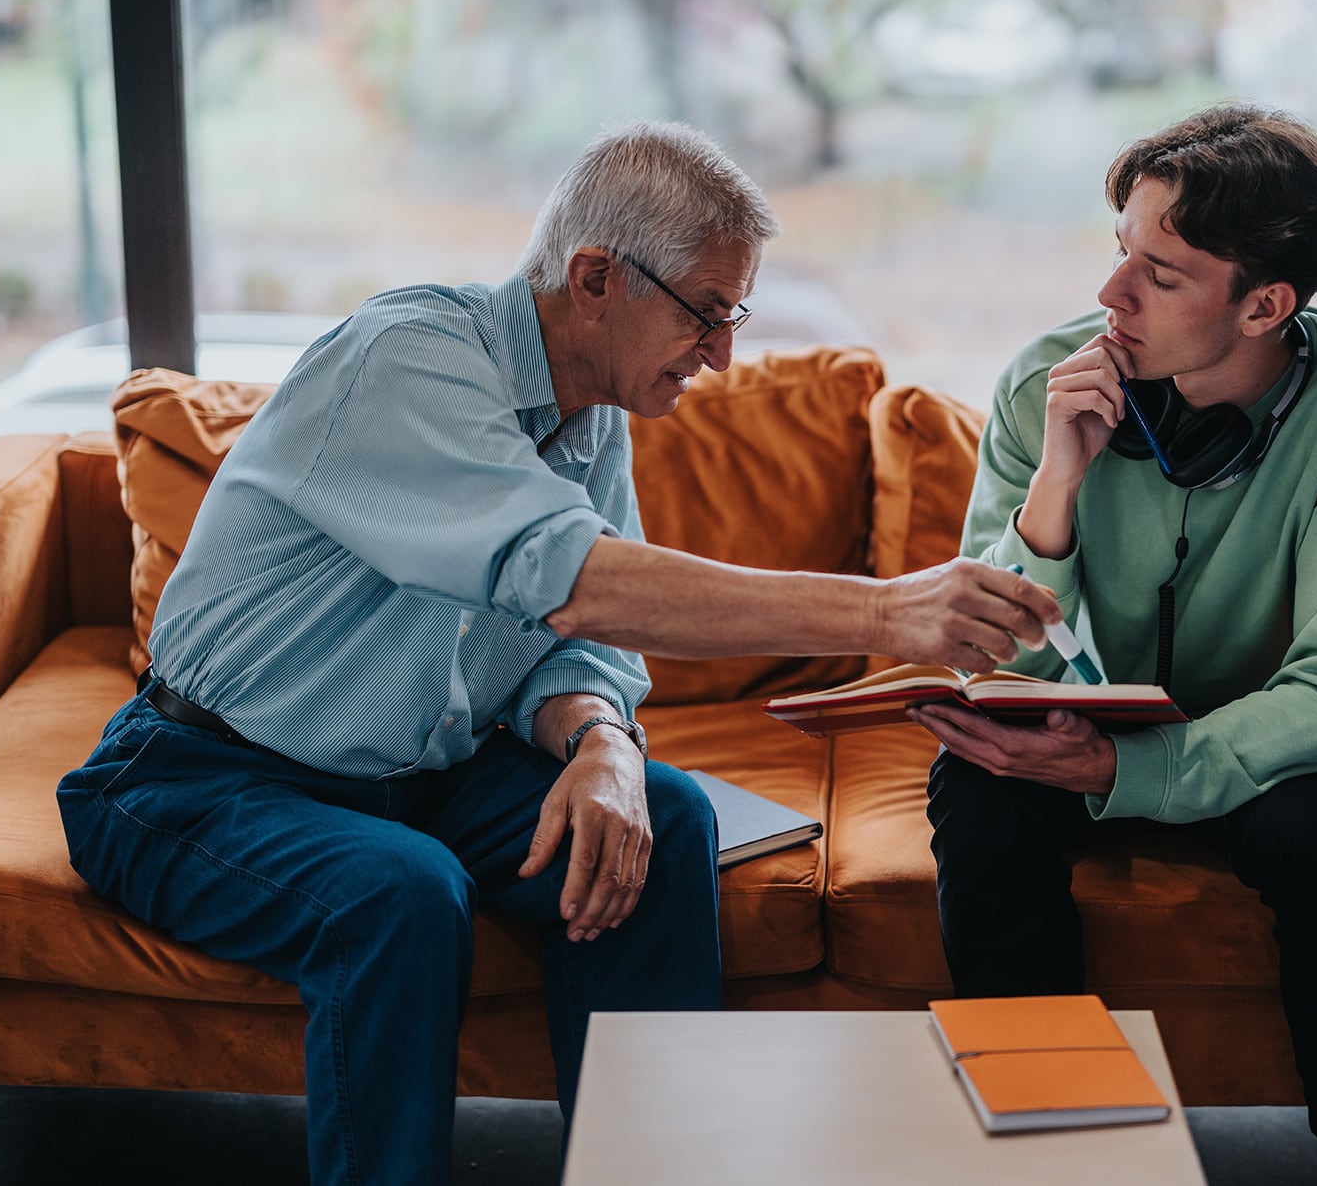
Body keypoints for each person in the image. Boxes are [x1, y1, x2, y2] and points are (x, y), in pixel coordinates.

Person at [56, 121, 1059, 1186]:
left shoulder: (594, 416)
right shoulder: (407, 360)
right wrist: (884, 615)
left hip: (414, 778)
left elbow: (577, 645)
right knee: (398, 892)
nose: (722, 353)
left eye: (735, 314)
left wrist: (602, 744)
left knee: (665, 820)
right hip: (199, 779)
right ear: (594, 278)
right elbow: (573, 577)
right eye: (706, 312)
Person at [918, 105, 1317, 1186]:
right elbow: (993, 660)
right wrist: (1056, 485)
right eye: (1119, 254)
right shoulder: (1044, 382)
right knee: (979, 803)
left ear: (1263, 305)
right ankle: (1052, 1151)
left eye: (1159, 274)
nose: (1109, 299)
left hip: (1255, 729)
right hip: (1070, 708)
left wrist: (1133, 767)